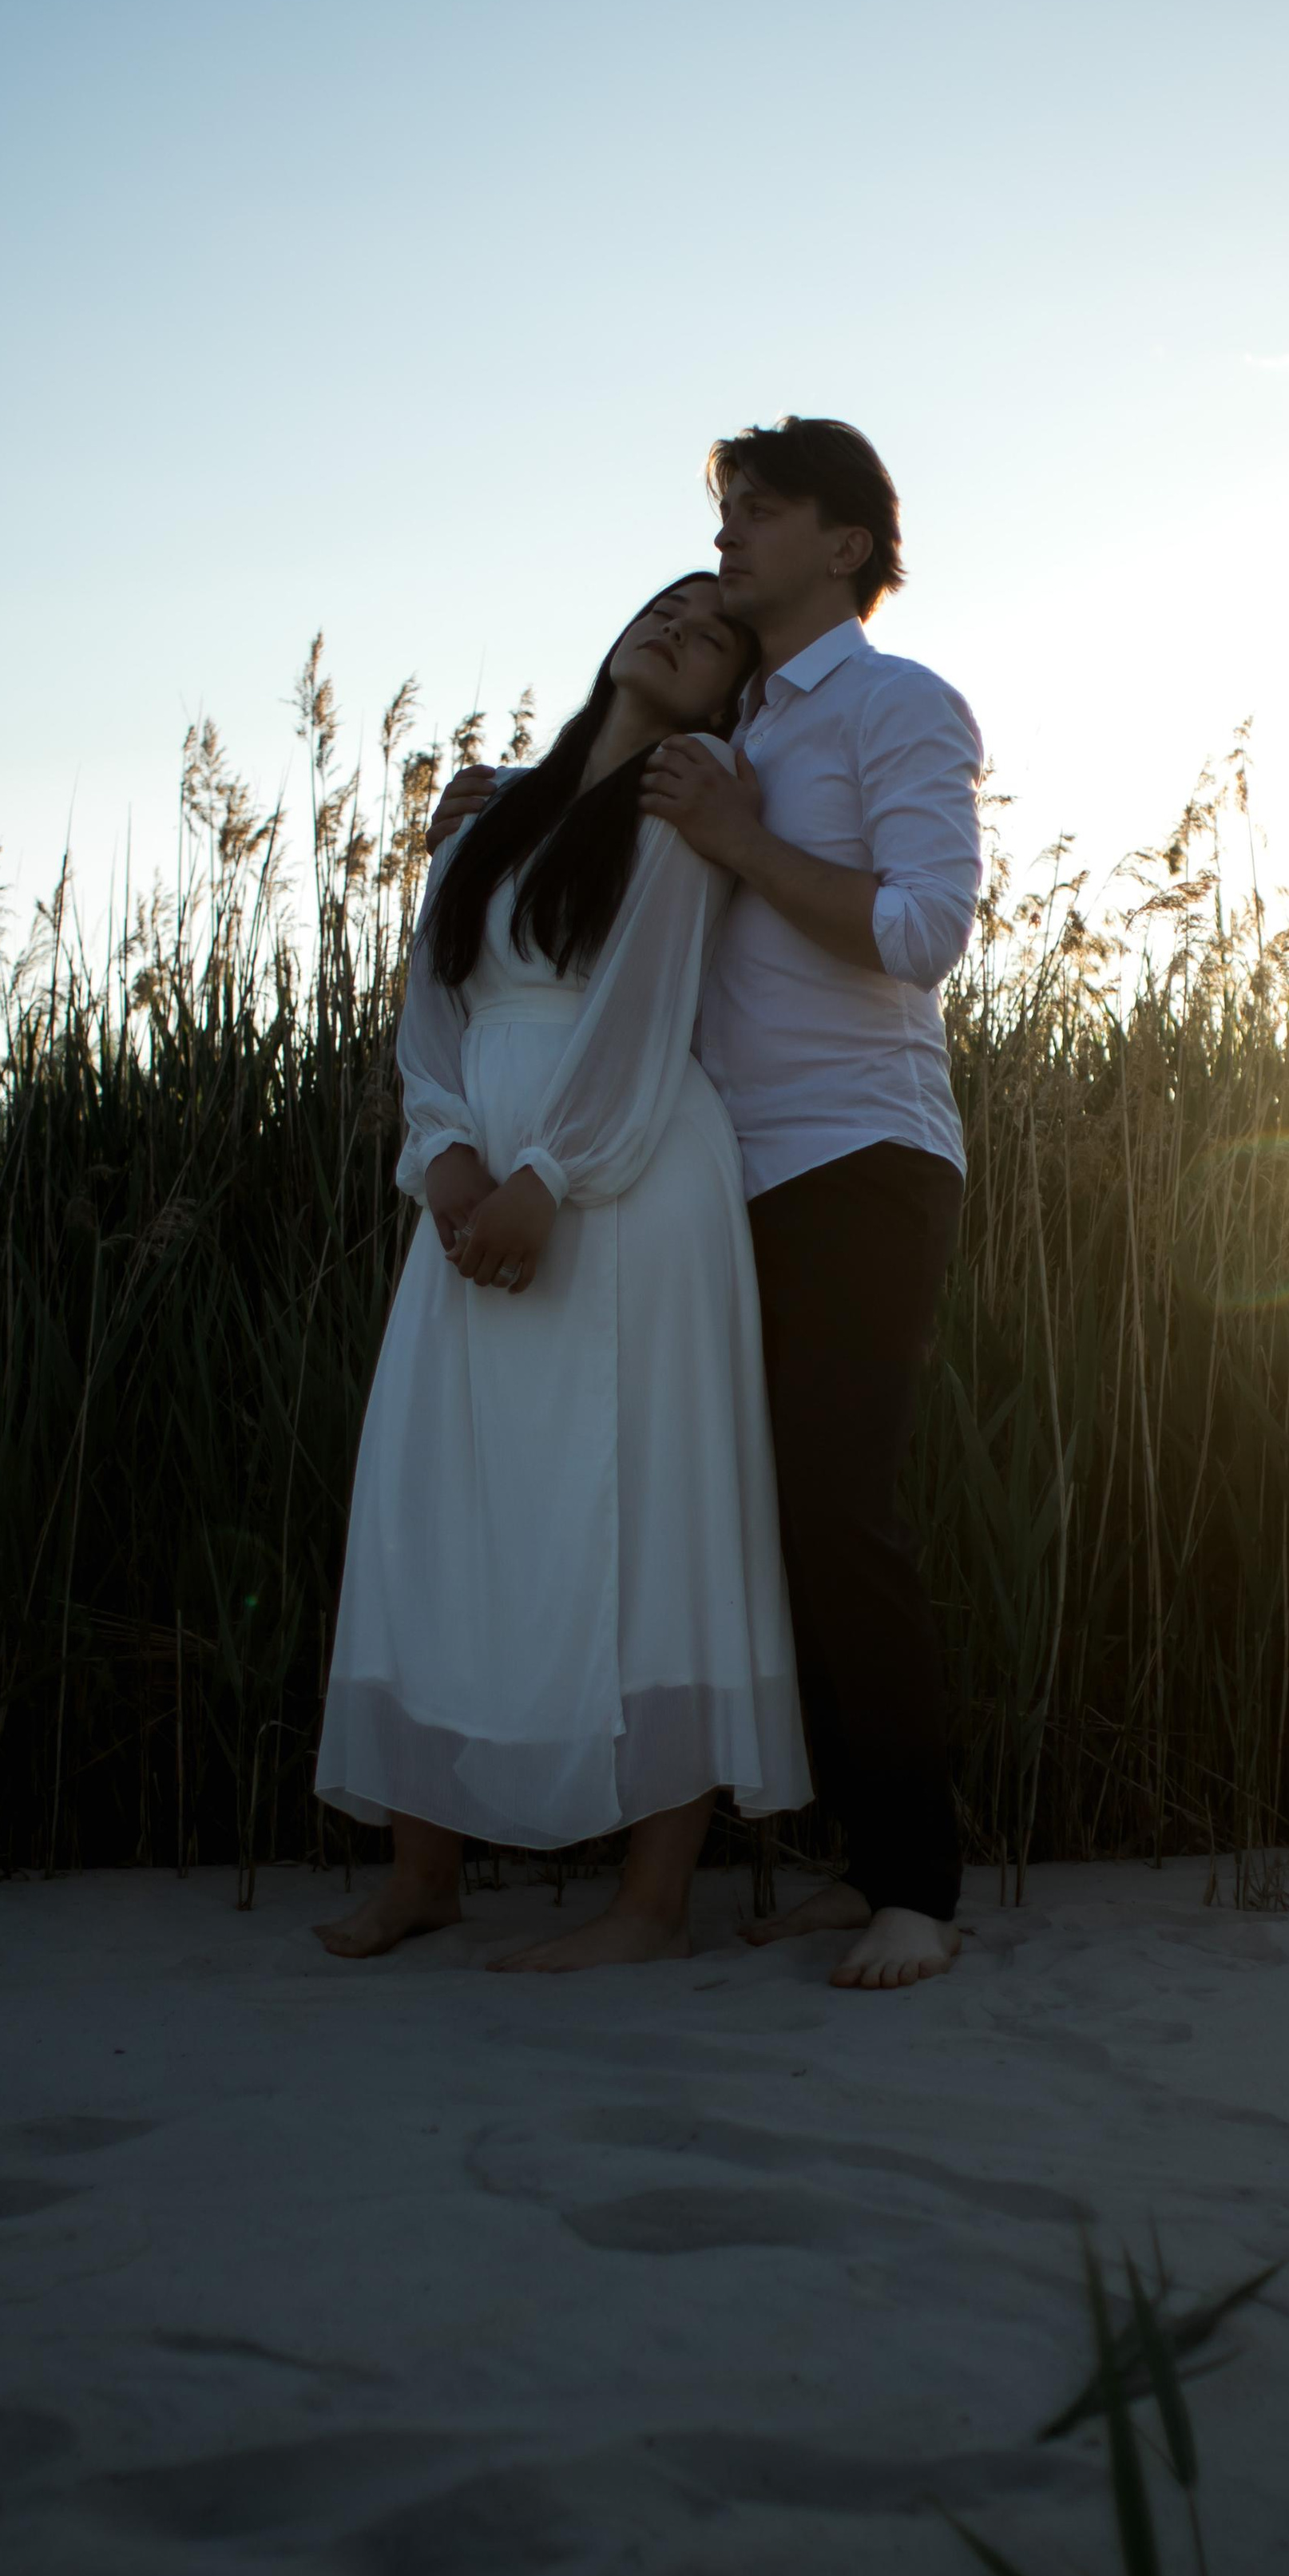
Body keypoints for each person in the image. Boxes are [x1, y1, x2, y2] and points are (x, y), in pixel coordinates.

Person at [431, 421, 982, 1988]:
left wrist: (742, 840)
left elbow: (924, 928)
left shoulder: (892, 703)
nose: (729, 532)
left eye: (760, 510)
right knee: (750, 1523)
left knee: (835, 1509)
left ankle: (918, 1892)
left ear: (843, 541)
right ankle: (850, 1856)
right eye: (722, 509)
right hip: (709, 1172)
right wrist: (511, 797)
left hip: (854, 1155)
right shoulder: (727, 716)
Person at [312, 576, 812, 1970]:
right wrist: (447, 1156)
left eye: (713, 633)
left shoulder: (694, 785)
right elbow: (432, 1002)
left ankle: (650, 1904)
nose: (675, 630)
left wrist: (551, 1176)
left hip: (630, 1176)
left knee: (650, 1502)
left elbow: (651, 1003)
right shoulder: (497, 809)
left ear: (728, 694)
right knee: (442, 1492)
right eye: (665, 608)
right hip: (479, 1184)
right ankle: (425, 1871)